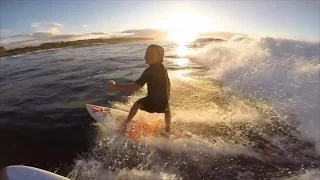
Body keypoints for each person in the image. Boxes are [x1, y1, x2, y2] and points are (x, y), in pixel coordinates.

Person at [106, 44, 171, 134]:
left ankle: (126, 124)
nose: (146, 56)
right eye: (146, 54)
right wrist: (168, 95)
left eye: (151, 54)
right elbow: (168, 83)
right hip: (163, 102)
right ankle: (168, 128)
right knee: (167, 109)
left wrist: (115, 86)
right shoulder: (164, 69)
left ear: (160, 57)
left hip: (152, 102)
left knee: (136, 104)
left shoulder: (149, 71)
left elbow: (135, 87)